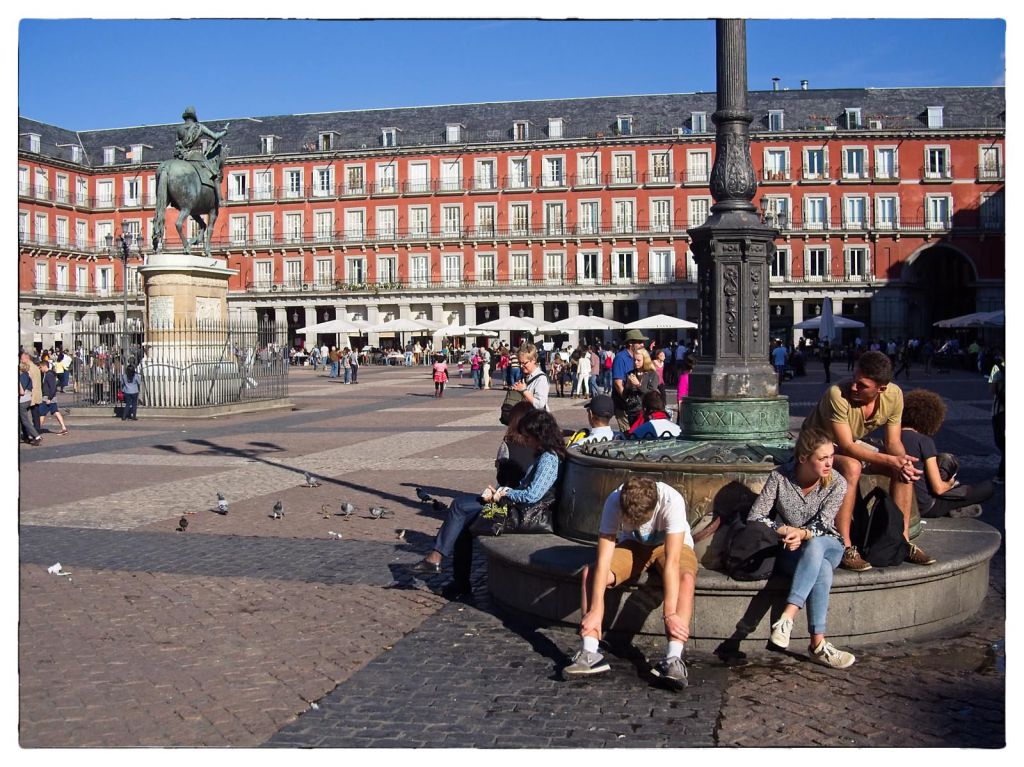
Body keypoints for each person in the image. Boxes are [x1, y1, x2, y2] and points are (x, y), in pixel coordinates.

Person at [411, 409, 566, 598]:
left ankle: (438, 560)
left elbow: (532, 496)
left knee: (459, 507)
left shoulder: (549, 459)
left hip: (521, 513)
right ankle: (455, 579)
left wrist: (503, 493)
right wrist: (499, 492)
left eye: (528, 436)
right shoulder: (545, 455)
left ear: (539, 435)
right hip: (515, 506)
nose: (526, 441)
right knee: (462, 519)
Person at [801, 350, 933, 571]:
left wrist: (901, 461)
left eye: (862, 385)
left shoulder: (894, 395)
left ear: (881, 388)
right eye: (854, 379)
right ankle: (844, 545)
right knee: (852, 467)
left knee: (903, 469)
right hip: (815, 446)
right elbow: (847, 446)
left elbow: (893, 442)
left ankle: (900, 541)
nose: (854, 387)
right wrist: (891, 460)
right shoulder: (837, 394)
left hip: (846, 443)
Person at [562, 475, 697, 690]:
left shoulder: (672, 501)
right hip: (633, 546)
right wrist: (595, 608)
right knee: (591, 573)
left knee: (686, 579)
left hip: (670, 546)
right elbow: (604, 559)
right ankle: (590, 652)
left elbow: (672, 562)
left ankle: (673, 659)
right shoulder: (614, 500)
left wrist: (670, 614)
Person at [747, 428, 856, 669]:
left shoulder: (837, 482)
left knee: (816, 545)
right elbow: (756, 516)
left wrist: (803, 533)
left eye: (831, 456)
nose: (829, 463)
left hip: (828, 543)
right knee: (821, 570)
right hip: (793, 547)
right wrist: (785, 530)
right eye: (822, 458)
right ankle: (818, 645)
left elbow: (824, 524)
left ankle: (787, 616)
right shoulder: (780, 477)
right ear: (803, 458)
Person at [900, 389, 993, 518]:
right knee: (987, 488)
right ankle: (955, 508)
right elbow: (938, 488)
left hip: (900, 503)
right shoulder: (923, 441)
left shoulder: (891, 439)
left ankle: (957, 508)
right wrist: (951, 483)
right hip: (926, 507)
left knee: (943, 462)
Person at [174, 106, 229, 204]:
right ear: (194, 116)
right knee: (215, 174)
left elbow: (177, 144)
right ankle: (220, 200)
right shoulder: (199, 127)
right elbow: (215, 136)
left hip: (182, 157)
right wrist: (224, 131)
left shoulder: (179, 129)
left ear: (185, 117)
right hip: (196, 156)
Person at [612, 329, 651, 432]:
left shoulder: (638, 356)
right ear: (630, 343)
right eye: (639, 342)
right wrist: (628, 401)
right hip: (624, 407)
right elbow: (618, 384)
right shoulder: (621, 358)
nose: (642, 344)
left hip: (638, 406)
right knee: (629, 433)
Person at [622, 348, 659, 432]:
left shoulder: (652, 374)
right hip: (632, 410)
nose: (636, 362)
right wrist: (628, 386)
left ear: (645, 360)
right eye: (634, 360)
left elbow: (652, 394)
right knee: (633, 433)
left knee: (644, 434)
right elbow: (625, 394)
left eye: (638, 360)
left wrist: (638, 385)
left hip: (646, 411)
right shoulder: (631, 373)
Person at [511, 343, 549, 411]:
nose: (521, 366)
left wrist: (524, 391)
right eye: (519, 363)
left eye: (524, 363)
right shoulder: (522, 376)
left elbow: (540, 405)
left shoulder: (541, 379)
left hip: (537, 416)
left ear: (533, 360)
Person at [38, 360, 69, 434]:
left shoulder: (49, 375)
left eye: (41, 367)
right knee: (55, 411)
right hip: (50, 397)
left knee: (41, 413)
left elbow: (52, 387)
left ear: (45, 366)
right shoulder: (47, 374)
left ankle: (37, 430)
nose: (40, 369)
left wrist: (49, 398)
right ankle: (63, 427)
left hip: (47, 397)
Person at [988, 353, 1005, 483]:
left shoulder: (997, 368)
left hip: (1000, 411)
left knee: (1001, 442)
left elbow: (992, 389)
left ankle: (1001, 474)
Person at [19, 361, 42, 445]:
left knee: (25, 420)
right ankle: (27, 436)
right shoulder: (27, 376)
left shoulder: (22, 377)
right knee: (22, 419)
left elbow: (21, 392)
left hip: (23, 400)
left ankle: (36, 436)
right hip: (28, 399)